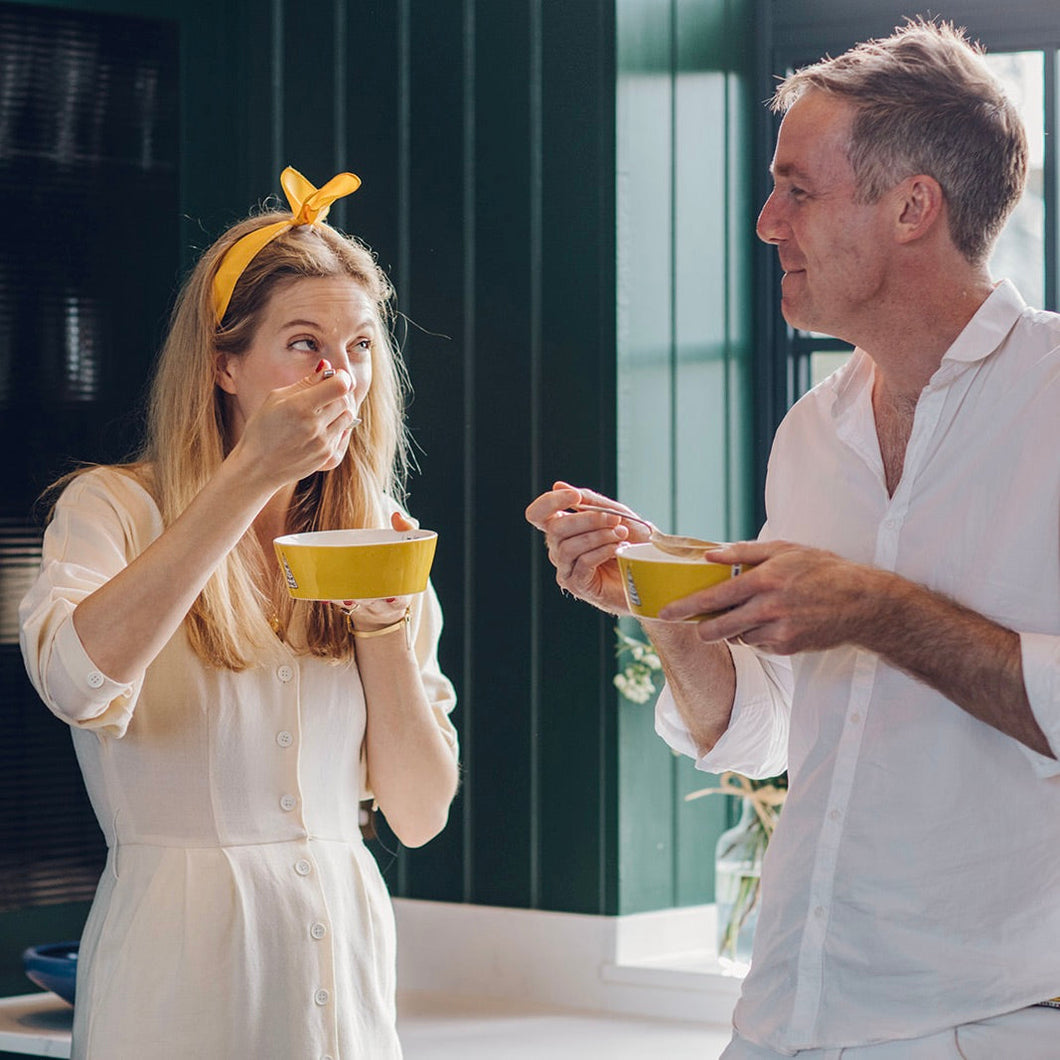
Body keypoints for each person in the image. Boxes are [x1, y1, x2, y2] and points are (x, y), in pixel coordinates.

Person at [526, 19, 1060, 1059]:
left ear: (913, 206)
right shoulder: (810, 432)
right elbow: (772, 735)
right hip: (788, 1013)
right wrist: (670, 610)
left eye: (798, 190)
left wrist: (869, 604)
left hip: (991, 1021)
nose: (765, 221)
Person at [19, 167, 460, 1059]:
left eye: (363, 345)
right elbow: (74, 681)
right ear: (225, 363)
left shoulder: (376, 538)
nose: (341, 373)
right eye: (304, 342)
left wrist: (382, 624)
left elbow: (417, 813)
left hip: (343, 968)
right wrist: (249, 475)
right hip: (175, 971)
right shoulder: (111, 510)